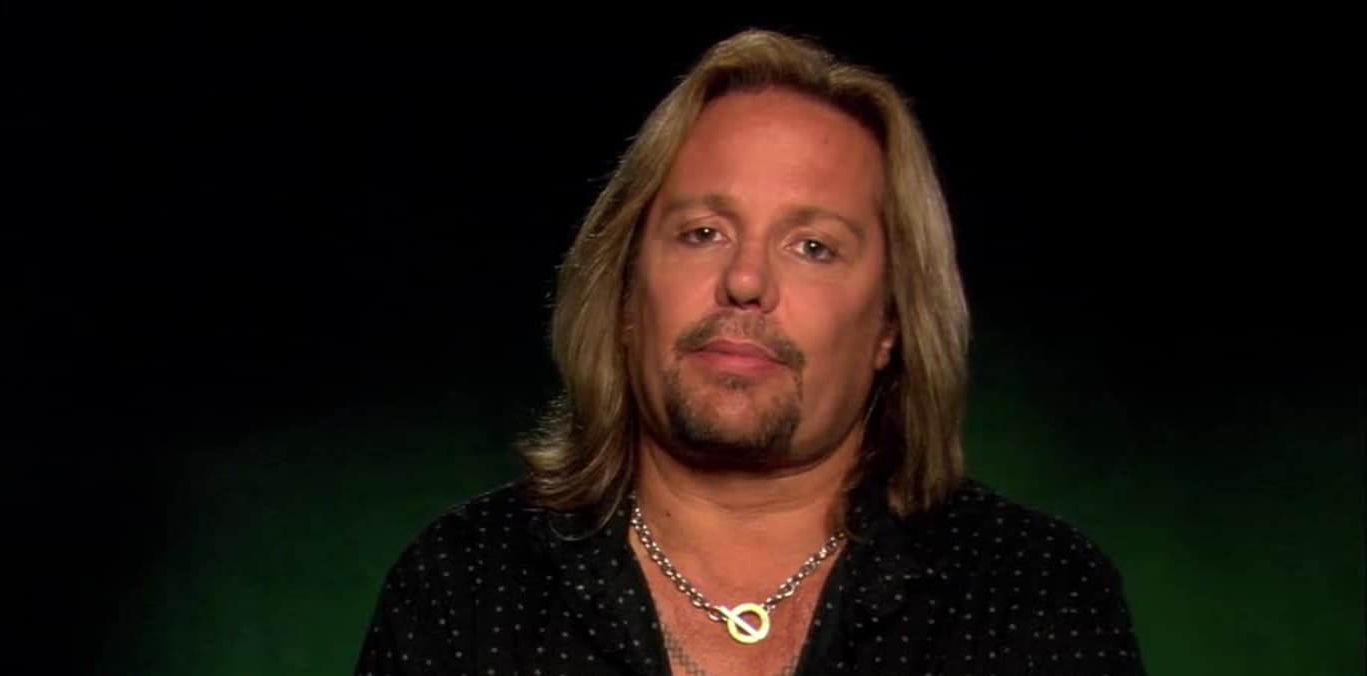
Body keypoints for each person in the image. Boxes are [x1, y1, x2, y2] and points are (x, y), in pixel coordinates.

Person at [355, 29, 1146, 675]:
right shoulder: (463, 588)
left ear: (891, 325)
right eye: (703, 232)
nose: (744, 281)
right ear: (626, 292)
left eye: (813, 246)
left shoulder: (1036, 596)